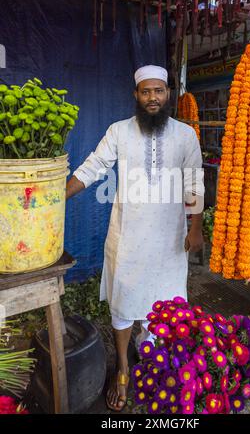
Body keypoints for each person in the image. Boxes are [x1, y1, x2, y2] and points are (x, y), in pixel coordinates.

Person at [66, 65, 205, 411]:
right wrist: (55, 196)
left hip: (170, 240)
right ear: (136, 96)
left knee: (167, 303)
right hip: (127, 238)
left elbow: (193, 183)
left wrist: (196, 226)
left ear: (168, 94)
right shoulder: (119, 132)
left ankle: (157, 362)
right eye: (146, 92)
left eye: (158, 91)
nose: (153, 97)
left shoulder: (185, 135)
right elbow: (92, 167)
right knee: (126, 302)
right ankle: (124, 369)